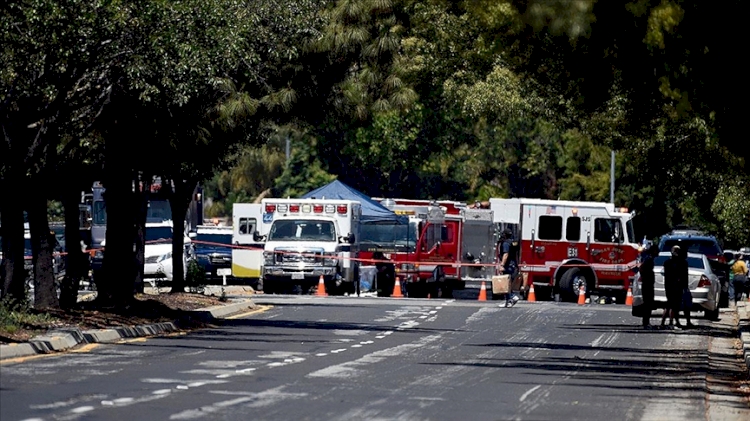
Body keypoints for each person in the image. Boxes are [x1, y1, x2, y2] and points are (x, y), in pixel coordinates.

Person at [498, 229, 520, 308]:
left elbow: (506, 254)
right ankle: (508, 302)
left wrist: (502, 265)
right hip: (513, 265)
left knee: (506, 283)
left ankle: (512, 296)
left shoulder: (506, 244)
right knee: (507, 283)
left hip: (508, 266)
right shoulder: (512, 243)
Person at [639, 244, 659, 329]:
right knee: (647, 303)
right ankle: (645, 323)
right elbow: (642, 268)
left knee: (649, 303)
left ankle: (646, 322)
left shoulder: (650, 259)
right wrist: (645, 277)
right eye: (657, 251)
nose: (658, 252)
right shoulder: (649, 259)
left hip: (648, 284)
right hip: (647, 285)